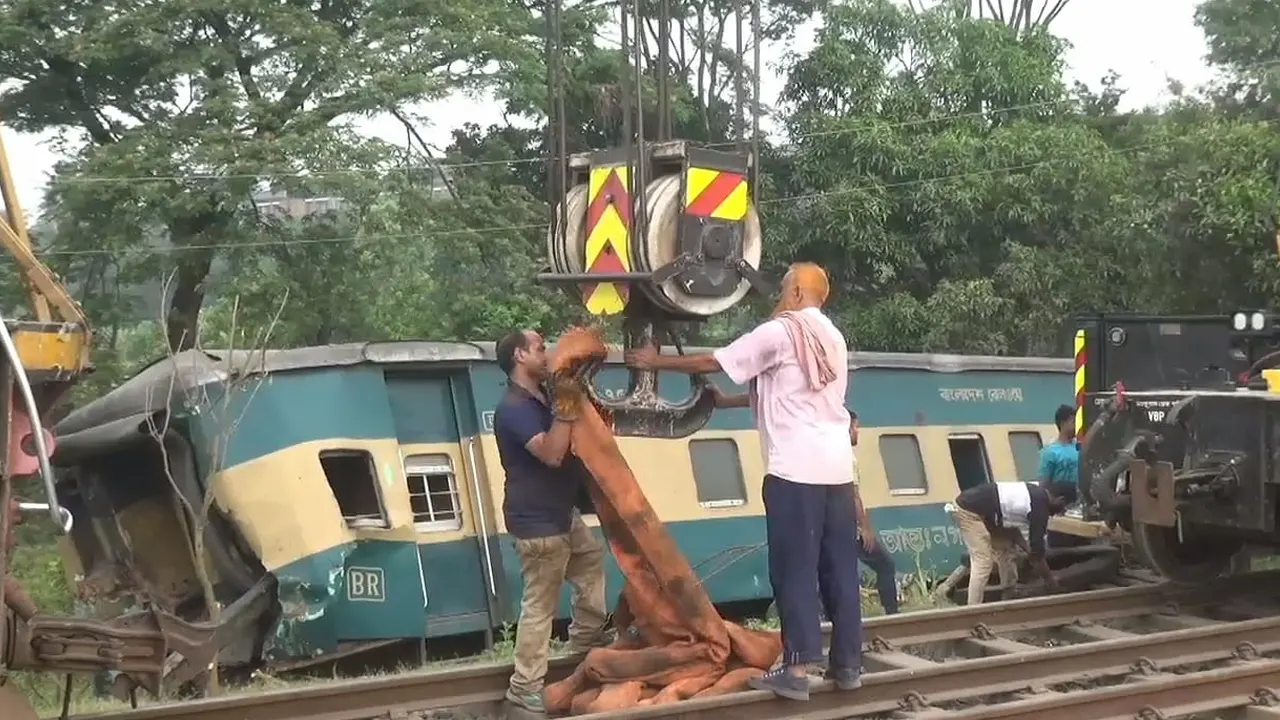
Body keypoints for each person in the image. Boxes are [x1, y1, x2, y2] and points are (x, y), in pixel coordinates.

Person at [625, 262, 861, 702]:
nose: (777, 298)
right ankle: (848, 665)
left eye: (782, 288)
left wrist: (655, 361)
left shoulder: (782, 330)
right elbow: (790, 393)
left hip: (795, 472)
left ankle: (797, 668)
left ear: (794, 294)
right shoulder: (831, 337)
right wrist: (729, 400)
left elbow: (718, 359)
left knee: (794, 571)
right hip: (837, 473)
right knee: (838, 570)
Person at [494, 329, 609, 714]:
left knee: (590, 563)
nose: (547, 355)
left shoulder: (538, 397)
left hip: (561, 514)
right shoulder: (513, 408)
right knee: (540, 606)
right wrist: (566, 408)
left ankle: (585, 645)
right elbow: (551, 453)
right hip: (538, 523)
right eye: (540, 349)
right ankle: (524, 687)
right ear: (519, 357)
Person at [949, 480, 1077, 606]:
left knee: (1006, 548)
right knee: (983, 561)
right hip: (968, 511)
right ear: (1060, 499)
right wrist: (1051, 582)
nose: (1063, 511)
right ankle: (973, 609)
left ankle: (1009, 593)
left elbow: (1015, 534)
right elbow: (1038, 554)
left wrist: (1029, 550)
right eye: (1065, 507)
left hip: (984, 513)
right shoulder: (1040, 509)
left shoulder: (1037, 492)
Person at [848, 410, 898, 615]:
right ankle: (892, 615)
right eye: (856, 428)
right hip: (847, 527)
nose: (857, 433)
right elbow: (853, 495)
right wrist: (865, 528)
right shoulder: (847, 458)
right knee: (885, 564)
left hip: (832, 526)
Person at [1038, 405, 1080, 487]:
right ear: (1063, 423)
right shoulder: (1050, 452)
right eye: (1074, 422)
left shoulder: (1081, 447)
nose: (1077, 426)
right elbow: (1043, 484)